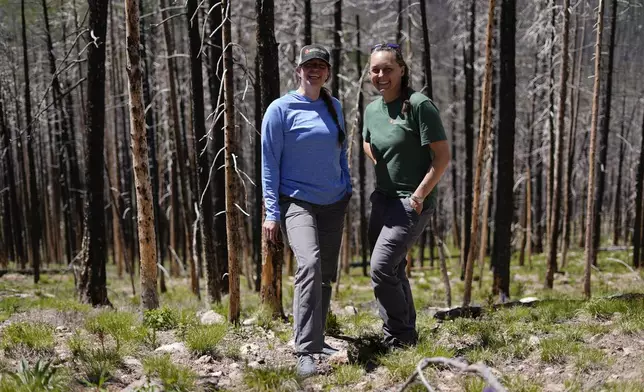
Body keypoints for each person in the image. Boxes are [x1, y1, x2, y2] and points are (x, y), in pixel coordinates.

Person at [261, 44, 352, 377]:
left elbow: (341, 151)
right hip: (296, 201)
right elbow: (269, 164)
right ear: (298, 70)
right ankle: (305, 351)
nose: (314, 70)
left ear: (327, 72)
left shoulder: (335, 106)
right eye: (308, 65)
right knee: (310, 263)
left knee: (326, 274)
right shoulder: (280, 109)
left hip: (334, 201)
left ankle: (318, 336)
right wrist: (272, 212)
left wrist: (347, 185)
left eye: (320, 66)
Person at [362, 43, 450, 349]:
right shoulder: (372, 110)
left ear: (401, 70)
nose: (381, 75)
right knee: (394, 269)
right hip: (382, 200)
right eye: (375, 69)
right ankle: (407, 334)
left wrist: (418, 195)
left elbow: (441, 157)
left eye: (388, 68)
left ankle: (396, 336)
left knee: (381, 267)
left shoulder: (418, 105)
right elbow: (367, 142)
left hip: (411, 202)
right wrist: (382, 162)